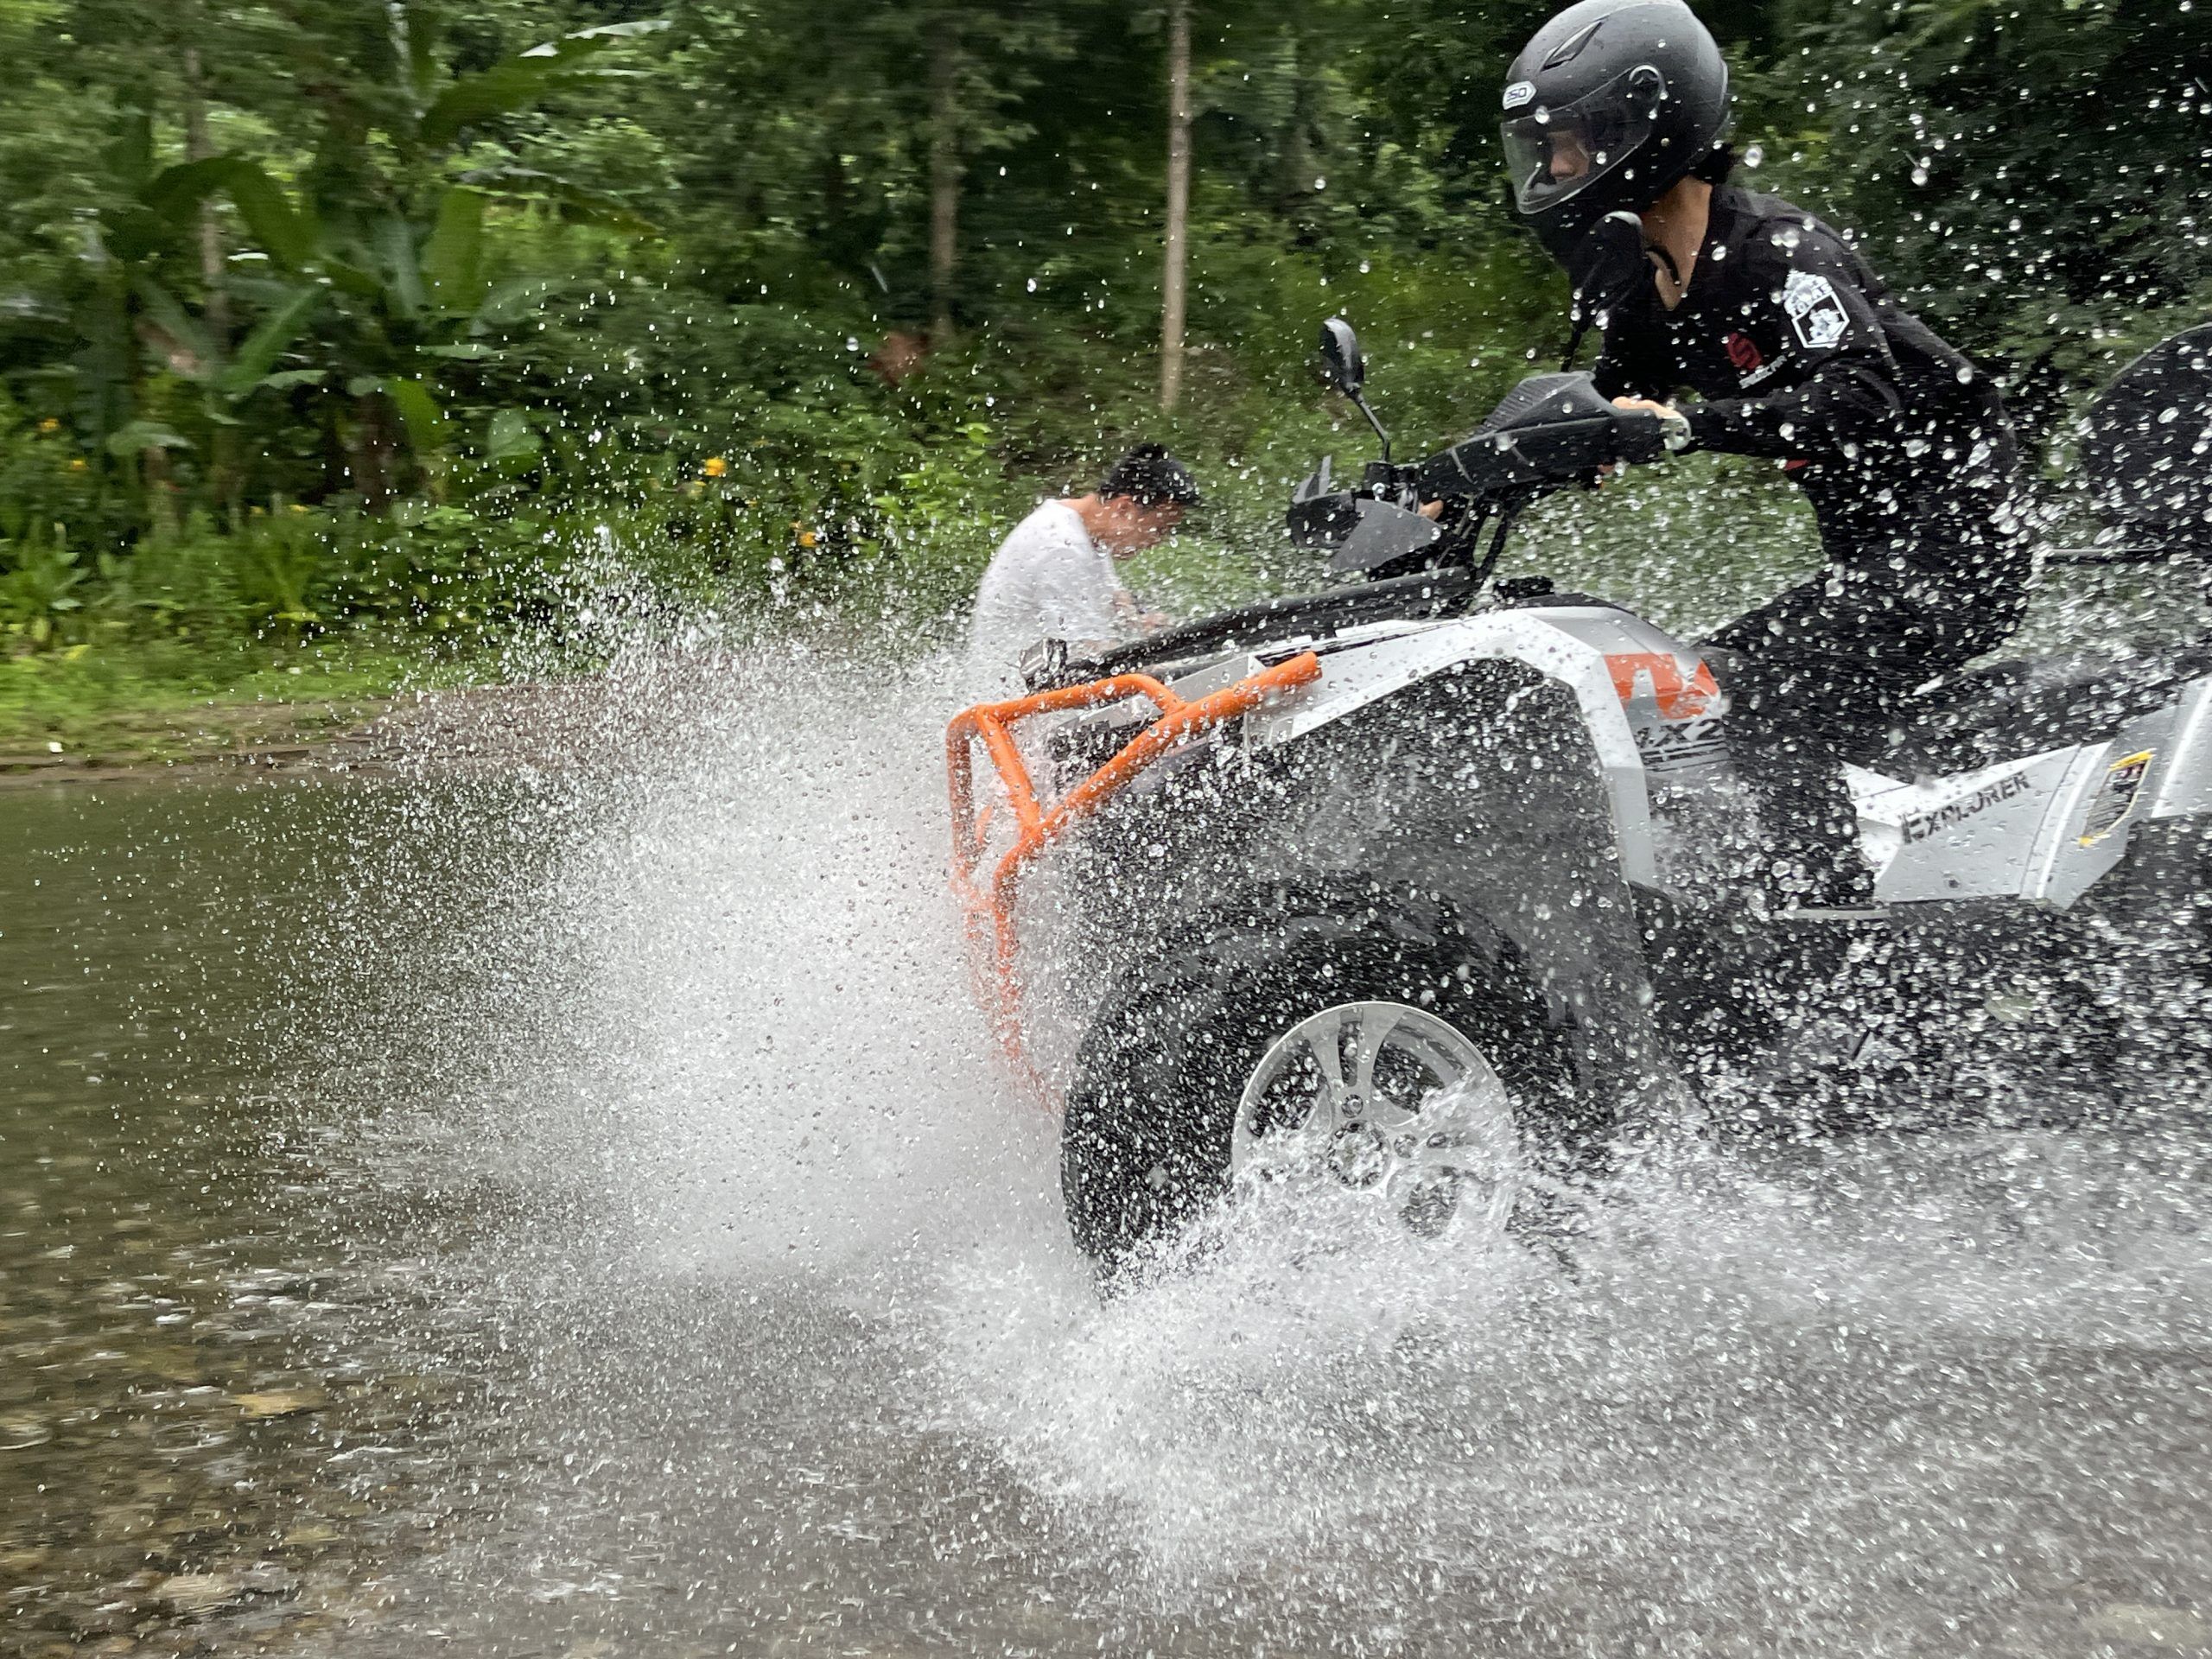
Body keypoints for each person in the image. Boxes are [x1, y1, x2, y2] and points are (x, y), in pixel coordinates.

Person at [1498, 0, 2027, 904]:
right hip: (1874, 560)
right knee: (1683, 688)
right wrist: (1450, 482)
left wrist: (1685, 427)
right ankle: (1792, 885)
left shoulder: (1783, 255)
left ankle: (1823, 922)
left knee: (1745, 683)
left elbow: (1860, 399)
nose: (1552, 168)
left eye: (1568, 143)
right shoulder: (1647, 286)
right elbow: (1606, 413)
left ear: (1643, 130)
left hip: (1964, 549)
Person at [964, 443, 1202, 693]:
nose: (1158, 542)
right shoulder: (1061, 545)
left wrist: (1143, 624)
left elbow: (1116, 602)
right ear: (1124, 508)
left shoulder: (1085, 533)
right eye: (1160, 529)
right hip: (1013, 705)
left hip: (1040, 692)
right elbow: (1094, 655)